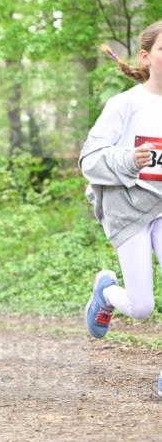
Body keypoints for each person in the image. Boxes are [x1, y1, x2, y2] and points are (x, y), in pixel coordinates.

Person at [81, 22, 162, 339]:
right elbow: (89, 159)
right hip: (128, 208)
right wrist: (128, 160)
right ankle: (107, 293)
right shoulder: (124, 104)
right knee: (142, 308)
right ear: (146, 57)